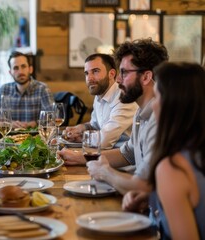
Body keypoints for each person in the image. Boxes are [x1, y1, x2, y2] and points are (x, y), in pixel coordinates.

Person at [122, 62, 205, 239]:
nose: (153, 105)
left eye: (157, 97)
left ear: (173, 104)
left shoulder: (173, 167)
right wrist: (154, 197)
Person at [86, 38, 169, 195]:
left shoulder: (160, 119)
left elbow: (145, 186)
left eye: (124, 72)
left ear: (146, 77)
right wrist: (89, 159)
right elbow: (127, 153)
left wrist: (105, 172)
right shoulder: (140, 112)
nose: (118, 79)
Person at [59, 53, 138, 165]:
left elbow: (104, 141)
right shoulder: (99, 94)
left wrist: (84, 139)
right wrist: (81, 129)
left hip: (123, 165)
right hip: (101, 158)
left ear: (111, 74)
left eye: (95, 71)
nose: (89, 78)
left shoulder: (123, 97)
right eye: (87, 73)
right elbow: (95, 125)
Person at [0, 51, 54, 128]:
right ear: (10, 72)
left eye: (23, 66)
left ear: (30, 69)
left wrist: (35, 123)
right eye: (15, 68)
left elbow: (52, 119)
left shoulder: (43, 89)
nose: (20, 71)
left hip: (34, 138)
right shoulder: (3, 90)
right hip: (8, 138)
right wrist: (7, 123)